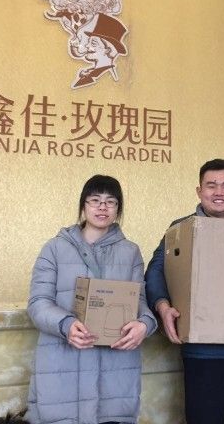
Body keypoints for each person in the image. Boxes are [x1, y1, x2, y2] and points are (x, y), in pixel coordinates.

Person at [144, 158, 224, 424]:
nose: (219, 192)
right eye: (211, 186)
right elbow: (155, 270)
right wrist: (163, 307)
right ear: (199, 191)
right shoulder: (180, 230)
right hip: (204, 354)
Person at [26, 175, 157, 424]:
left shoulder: (130, 252)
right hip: (63, 364)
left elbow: (139, 301)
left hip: (115, 369)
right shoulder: (54, 248)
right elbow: (38, 303)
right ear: (83, 206)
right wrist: (65, 324)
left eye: (111, 202)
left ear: (118, 209)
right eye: (95, 200)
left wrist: (145, 324)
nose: (102, 207)